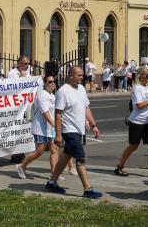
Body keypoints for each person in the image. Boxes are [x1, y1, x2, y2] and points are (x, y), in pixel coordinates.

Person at [45, 66, 102, 199]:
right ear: (71, 75)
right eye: (79, 75)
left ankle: (52, 182)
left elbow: (86, 107)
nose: (82, 77)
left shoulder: (81, 89)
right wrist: (58, 135)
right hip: (69, 130)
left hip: (79, 129)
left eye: (82, 75)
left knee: (66, 157)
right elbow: (58, 114)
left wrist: (94, 125)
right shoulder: (63, 91)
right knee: (80, 157)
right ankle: (88, 189)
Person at [114, 66, 148, 178]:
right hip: (137, 122)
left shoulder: (146, 88)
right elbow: (139, 105)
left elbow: (147, 104)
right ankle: (119, 166)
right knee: (133, 146)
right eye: (147, 75)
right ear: (141, 76)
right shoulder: (137, 88)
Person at [16, 75, 58, 179]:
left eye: (53, 82)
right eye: (49, 82)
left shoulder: (53, 96)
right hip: (40, 127)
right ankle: (22, 166)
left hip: (51, 128)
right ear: (45, 83)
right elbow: (45, 112)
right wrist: (54, 124)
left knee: (55, 150)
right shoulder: (42, 95)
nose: (52, 83)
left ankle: (54, 173)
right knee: (39, 151)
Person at [6, 55, 31, 163]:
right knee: (15, 129)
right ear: (19, 63)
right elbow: (11, 88)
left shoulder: (28, 72)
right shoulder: (12, 73)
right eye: (25, 64)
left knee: (23, 129)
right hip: (15, 106)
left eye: (28, 63)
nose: (27, 66)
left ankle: (20, 153)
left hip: (25, 104)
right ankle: (16, 154)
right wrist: (21, 77)